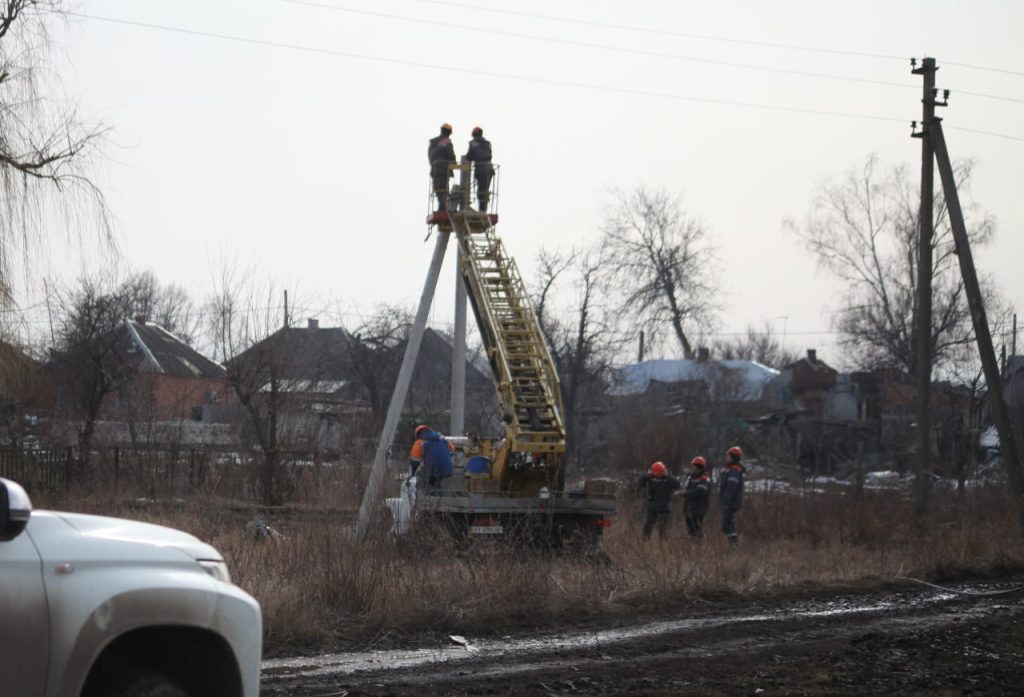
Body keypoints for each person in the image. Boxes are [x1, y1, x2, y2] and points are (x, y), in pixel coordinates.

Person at [639, 461, 681, 540]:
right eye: (656, 474)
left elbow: (677, 485)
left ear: (663, 471)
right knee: (648, 525)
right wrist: (645, 476)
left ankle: (663, 545)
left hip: (664, 507)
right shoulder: (650, 477)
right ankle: (644, 542)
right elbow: (641, 483)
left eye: (659, 473)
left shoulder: (669, 478)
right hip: (652, 506)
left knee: (662, 528)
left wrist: (668, 477)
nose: (657, 475)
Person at [408, 424, 455, 493]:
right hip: (448, 469)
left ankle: (423, 498)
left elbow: (415, 460)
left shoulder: (420, 441)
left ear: (418, 435)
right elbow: (452, 450)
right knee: (436, 480)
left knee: (420, 478)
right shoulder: (441, 437)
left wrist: (412, 473)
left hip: (432, 469)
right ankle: (438, 495)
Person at [719, 446, 746, 545]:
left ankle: (734, 544)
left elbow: (731, 487)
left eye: (728, 455)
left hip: (731, 501)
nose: (726, 457)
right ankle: (733, 544)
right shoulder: (731, 469)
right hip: (731, 501)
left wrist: (726, 500)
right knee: (728, 523)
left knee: (727, 524)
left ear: (732, 457)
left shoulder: (734, 470)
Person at [464, 126, 494, 212]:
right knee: (485, 190)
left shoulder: (473, 143)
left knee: (481, 191)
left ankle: (482, 209)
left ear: (473, 135)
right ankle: (483, 209)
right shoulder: (487, 143)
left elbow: (469, 156)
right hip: (489, 168)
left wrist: (465, 158)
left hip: (481, 169)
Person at [428, 123, 456, 212]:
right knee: (443, 188)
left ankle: (441, 206)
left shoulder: (433, 143)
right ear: (449, 133)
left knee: (438, 187)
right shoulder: (447, 142)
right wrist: (454, 164)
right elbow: (451, 155)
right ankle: (442, 207)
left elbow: (430, 156)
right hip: (444, 169)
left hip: (435, 168)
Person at [682, 456, 711, 538]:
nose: (691, 468)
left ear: (698, 467)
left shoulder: (704, 478)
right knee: (690, 531)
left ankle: (699, 547)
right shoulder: (691, 477)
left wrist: (686, 493)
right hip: (689, 508)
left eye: (693, 466)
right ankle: (693, 547)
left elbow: (701, 491)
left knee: (697, 530)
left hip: (698, 509)